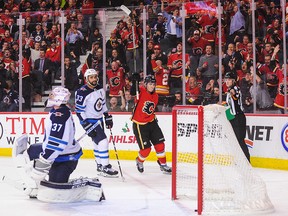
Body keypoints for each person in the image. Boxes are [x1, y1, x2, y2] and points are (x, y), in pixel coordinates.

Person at [12, 87, 84, 198]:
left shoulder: (59, 116)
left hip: (65, 159)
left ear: (59, 99)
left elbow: (57, 144)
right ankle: (33, 183)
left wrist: (44, 161)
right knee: (31, 150)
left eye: (53, 95)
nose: (51, 97)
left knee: (55, 188)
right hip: (61, 154)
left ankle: (36, 181)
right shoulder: (59, 110)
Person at [75, 69, 118, 177]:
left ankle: (99, 165)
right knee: (103, 141)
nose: (94, 79)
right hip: (90, 121)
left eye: (95, 77)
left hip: (99, 120)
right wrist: (85, 124)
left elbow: (102, 104)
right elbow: (79, 111)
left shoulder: (100, 89)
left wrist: (107, 115)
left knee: (97, 143)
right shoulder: (81, 92)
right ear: (86, 79)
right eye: (91, 77)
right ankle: (105, 167)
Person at [131, 74, 171, 174]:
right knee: (146, 150)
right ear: (145, 84)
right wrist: (134, 82)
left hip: (152, 123)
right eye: (150, 84)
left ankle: (163, 165)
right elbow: (132, 92)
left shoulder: (156, 95)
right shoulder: (141, 91)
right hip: (140, 124)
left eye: (153, 84)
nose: (152, 86)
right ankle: (139, 161)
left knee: (160, 145)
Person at [224, 72, 250, 162]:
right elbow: (229, 106)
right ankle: (239, 161)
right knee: (235, 141)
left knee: (240, 140)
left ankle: (246, 162)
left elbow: (235, 96)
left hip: (239, 118)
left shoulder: (235, 88)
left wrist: (233, 94)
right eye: (225, 79)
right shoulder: (229, 91)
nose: (226, 81)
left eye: (229, 79)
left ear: (234, 80)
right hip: (233, 118)